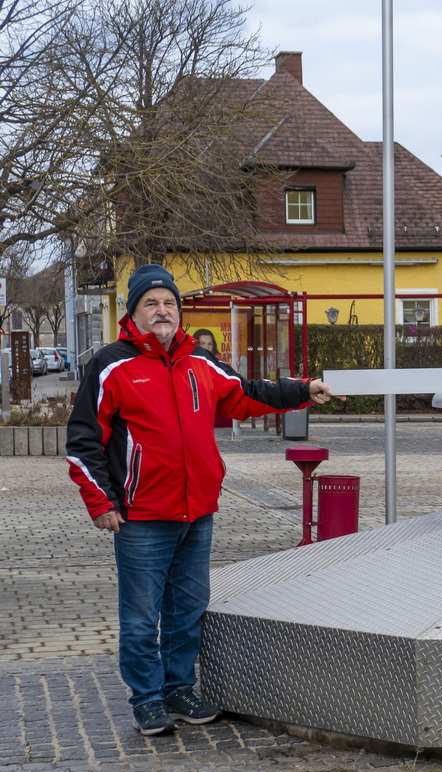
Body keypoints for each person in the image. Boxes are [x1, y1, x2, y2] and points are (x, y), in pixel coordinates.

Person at [66, 264, 337, 735]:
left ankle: (179, 689)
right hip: (141, 518)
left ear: (179, 311)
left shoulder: (200, 363)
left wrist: (302, 390)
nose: (162, 310)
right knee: (140, 617)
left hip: (198, 513)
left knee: (187, 611)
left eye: (169, 303)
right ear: (133, 313)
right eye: (151, 303)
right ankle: (147, 698)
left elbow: (247, 394)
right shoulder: (111, 365)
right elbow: (83, 440)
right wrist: (103, 503)